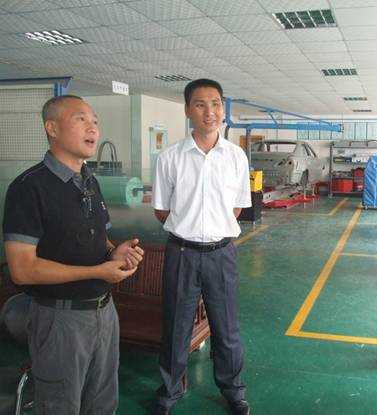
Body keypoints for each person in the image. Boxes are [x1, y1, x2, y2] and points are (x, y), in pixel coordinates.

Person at [2, 94, 144, 414]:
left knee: (102, 403)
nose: (93, 127)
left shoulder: (89, 181)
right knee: (60, 406)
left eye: (95, 121)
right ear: (51, 128)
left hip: (104, 313)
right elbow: (22, 269)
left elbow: (99, 237)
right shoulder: (28, 188)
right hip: (60, 320)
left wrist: (114, 251)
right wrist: (98, 272)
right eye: (81, 119)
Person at [151, 79, 252, 415]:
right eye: (200, 104)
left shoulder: (236, 157)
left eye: (216, 103)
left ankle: (233, 390)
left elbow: (236, 208)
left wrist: (212, 230)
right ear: (187, 110)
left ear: (223, 109)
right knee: (176, 327)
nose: (210, 112)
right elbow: (162, 210)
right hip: (181, 254)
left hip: (222, 255)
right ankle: (169, 390)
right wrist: (190, 228)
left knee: (227, 328)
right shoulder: (170, 157)